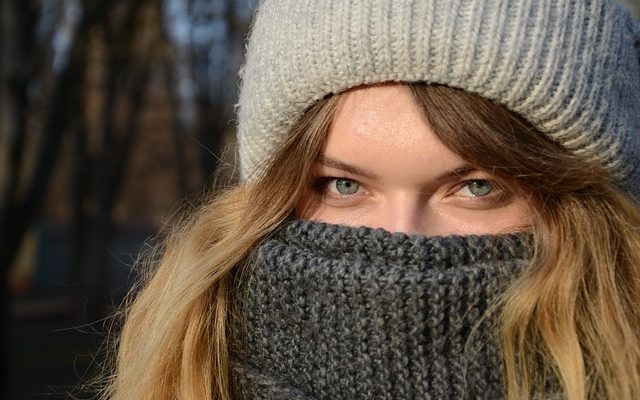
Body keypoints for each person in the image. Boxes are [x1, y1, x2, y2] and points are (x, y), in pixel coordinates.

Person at [103, 0, 640, 399]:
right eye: (344, 186)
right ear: (273, 198)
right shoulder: (188, 374)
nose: (400, 240)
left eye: (479, 187)